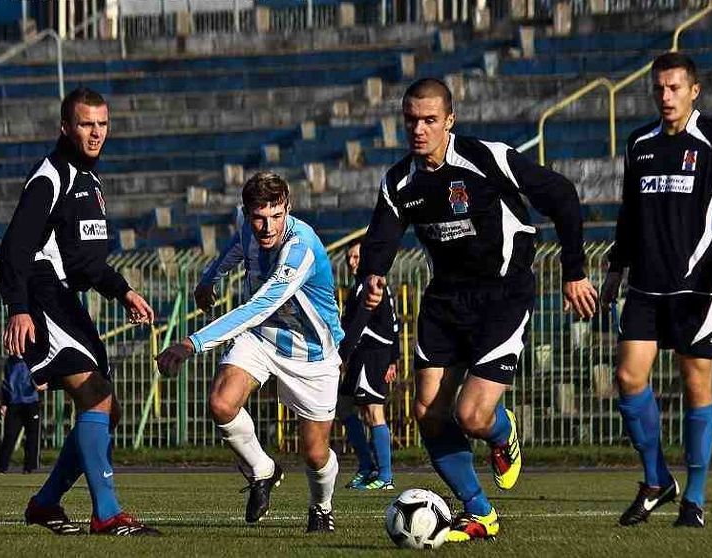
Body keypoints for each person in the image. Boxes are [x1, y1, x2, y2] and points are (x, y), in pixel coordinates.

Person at [355, 78, 597, 542]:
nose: (419, 130)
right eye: (411, 120)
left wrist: (574, 271)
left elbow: (562, 195)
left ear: (449, 120)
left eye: (429, 120)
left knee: (472, 416)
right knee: (427, 410)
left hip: (502, 296)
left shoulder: (489, 158)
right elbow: (381, 237)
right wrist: (373, 273)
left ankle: (501, 433)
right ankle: (480, 512)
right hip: (445, 301)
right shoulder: (399, 181)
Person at [601, 52, 712, 529]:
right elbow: (629, 217)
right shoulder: (639, 143)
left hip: (697, 287)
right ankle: (655, 480)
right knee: (628, 378)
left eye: (674, 88)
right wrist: (615, 270)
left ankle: (694, 496)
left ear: (695, 91)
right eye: (658, 89)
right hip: (646, 287)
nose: (665, 96)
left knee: (696, 385)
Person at [0, 87, 160, 536]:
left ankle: (46, 503)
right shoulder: (50, 177)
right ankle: (106, 513)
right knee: (96, 398)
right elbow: (14, 246)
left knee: (107, 409)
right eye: (86, 124)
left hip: (67, 298)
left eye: (102, 124)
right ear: (66, 127)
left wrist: (123, 290)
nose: (96, 133)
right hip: (43, 296)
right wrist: (19, 309)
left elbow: (87, 263)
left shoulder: (89, 180)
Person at [156, 172, 345, 533]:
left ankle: (321, 507)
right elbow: (232, 252)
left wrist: (190, 343)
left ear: (287, 208)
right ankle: (264, 470)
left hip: (312, 352)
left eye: (275, 215)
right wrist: (209, 280)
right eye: (259, 216)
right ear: (246, 213)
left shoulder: (300, 247)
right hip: (262, 338)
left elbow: (257, 306)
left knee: (315, 453)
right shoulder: (249, 232)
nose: (267, 226)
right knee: (221, 403)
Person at [337, 239, 398, 491]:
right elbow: (394, 324)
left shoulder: (370, 286)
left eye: (356, 257)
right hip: (361, 355)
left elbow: (360, 325)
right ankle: (366, 467)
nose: (352, 262)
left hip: (371, 355)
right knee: (343, 406)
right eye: (349, 258)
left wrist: (341, 355)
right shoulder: (362, 285)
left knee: (374, 412)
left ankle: (385, 476)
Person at [0, 356, 46, 474]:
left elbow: (43, 378)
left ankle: (30, 467)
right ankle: (1, 466)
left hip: (31, 402)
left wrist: (41, 384)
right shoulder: (10, 362)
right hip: (14, 403)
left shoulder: (33, 360)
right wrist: (4, 403)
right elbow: (6, 383)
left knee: (33, 436)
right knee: (10, 435)